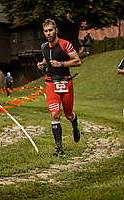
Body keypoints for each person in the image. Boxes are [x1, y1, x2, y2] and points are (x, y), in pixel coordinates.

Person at [37, 19, 81, 157]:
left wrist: (61, 64)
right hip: (51, 83)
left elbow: (77, 61)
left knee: (68, 114)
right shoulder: (44, 47)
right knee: (55, 114)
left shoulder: (65, 44)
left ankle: (74, 124)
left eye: (50, 30)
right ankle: (59, 148)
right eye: (46, 31)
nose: (48, 33)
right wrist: (42, 64)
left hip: (66, 82)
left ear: (56, 30)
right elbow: (47, 59)